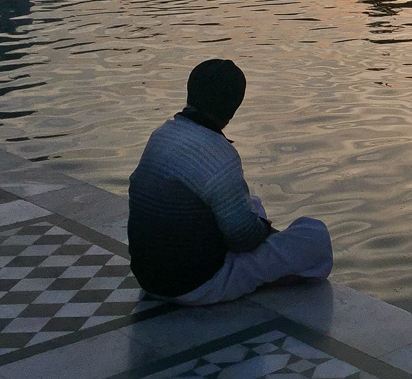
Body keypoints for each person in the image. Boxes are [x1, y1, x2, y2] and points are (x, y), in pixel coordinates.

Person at [128, 59, 332, 305]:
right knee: (314, 236)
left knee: (251, 203)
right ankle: (264, 280)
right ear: (234, 106)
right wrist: (267, 232)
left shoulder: (162, 135)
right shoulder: (219, 155)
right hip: (195, 285)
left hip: (149, 279)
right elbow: (243, 240)